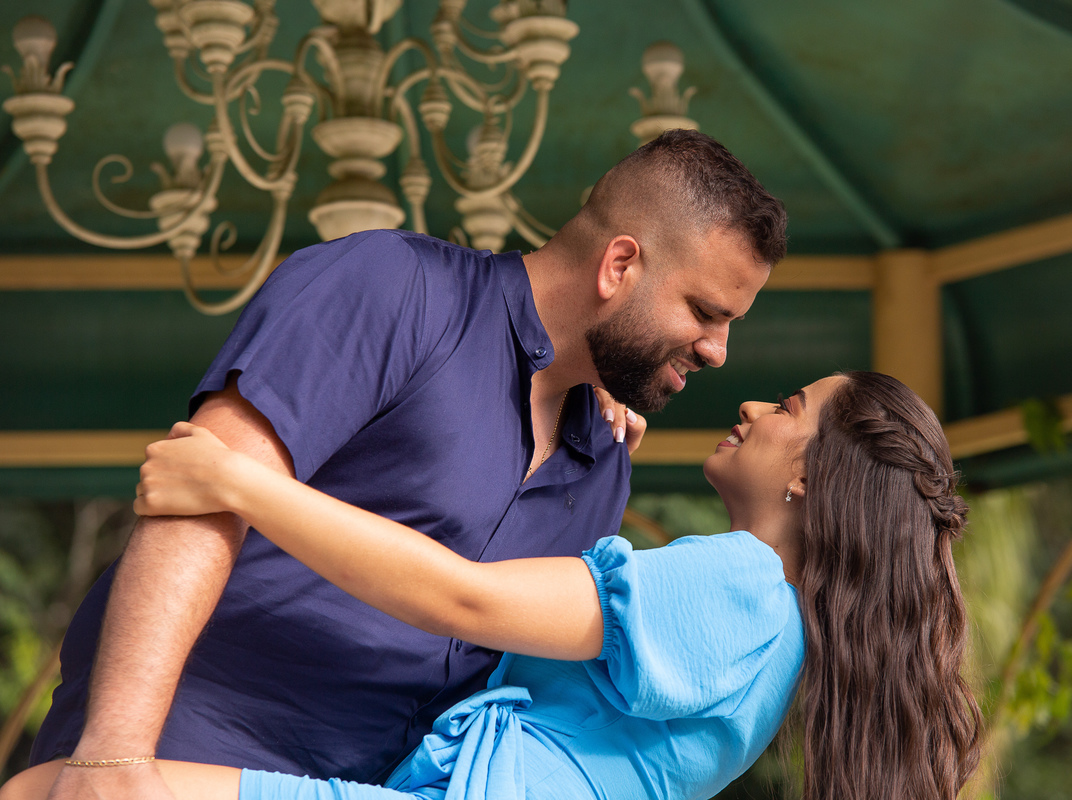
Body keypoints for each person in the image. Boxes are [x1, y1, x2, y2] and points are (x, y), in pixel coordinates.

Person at [30, 130, 789, 800]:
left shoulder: (605, 464)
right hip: (174, 755)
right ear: (619, 264)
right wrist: (112, 755)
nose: (718, 351)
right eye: (705, 312)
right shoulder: (395, 287)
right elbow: (197, 491)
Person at [4, 371, 982, 800]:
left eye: (792, 406)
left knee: (60, 788)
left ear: (810, 474)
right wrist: (584, 441)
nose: (758, 404)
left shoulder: (742, 585)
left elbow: (464, 599)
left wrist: (241, 485)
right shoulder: (772, 634)